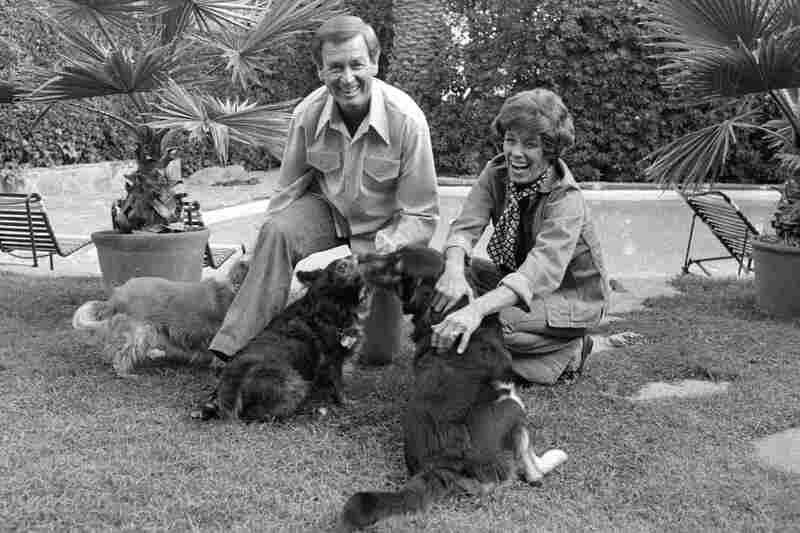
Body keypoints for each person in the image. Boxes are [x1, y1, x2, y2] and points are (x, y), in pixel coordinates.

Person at [209, 15, 439, 364]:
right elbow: (287, 190)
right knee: (277, 231)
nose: (347, 78)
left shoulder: (407, 121)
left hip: (383, 232)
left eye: (356, 64)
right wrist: (258, 251)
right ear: (320, 70)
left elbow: (421, 214)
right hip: (329, 212)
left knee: (377, 355)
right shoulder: (307, 114)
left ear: (374, 63)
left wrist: (381, 249)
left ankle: (364, 332)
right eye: (335, 67)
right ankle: (237, 350)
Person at [429, 88, 609, 385]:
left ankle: (570, 352)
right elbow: (465, 226)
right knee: (443, 289)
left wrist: (476, 309)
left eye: (530, 144)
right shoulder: (496, 172)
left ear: (550, 150)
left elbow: (539, 270)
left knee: (493, 324)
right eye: (510, 140)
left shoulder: (566, 199)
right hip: (514, 277)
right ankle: (489, 356)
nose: (515, 153)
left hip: (571, 297)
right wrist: (453, 271)